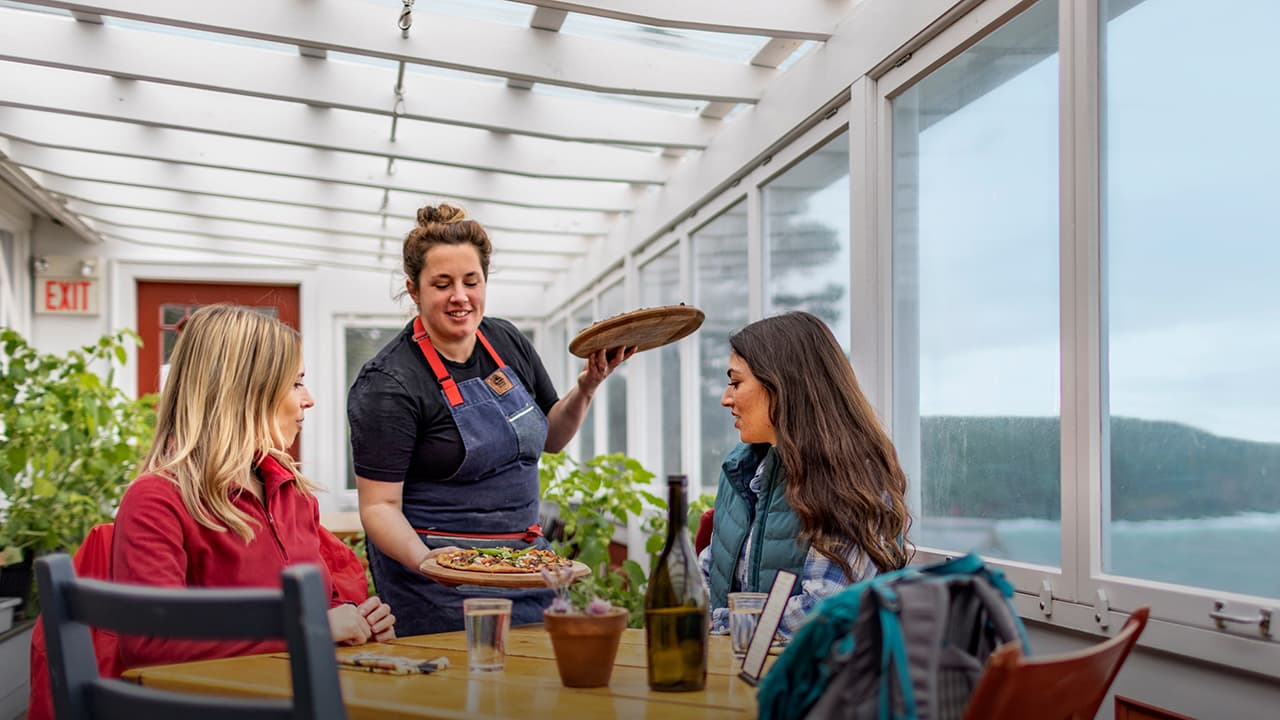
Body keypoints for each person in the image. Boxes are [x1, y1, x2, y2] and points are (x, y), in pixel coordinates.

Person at [347, 203, 631, 636]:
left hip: (526, 568)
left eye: (471, 281)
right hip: (439, 586)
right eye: (441, 284)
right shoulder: (390, 383)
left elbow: (552, 436)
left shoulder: (506, 341)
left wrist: (588, 387)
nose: (460, 296)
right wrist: (431, 562)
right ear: (413, 290)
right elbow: (379, 506)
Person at [112, 304, 395, 668]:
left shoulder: (292, 493)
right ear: (245, 393)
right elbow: (150, 644)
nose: (308, 398)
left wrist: (355, 620)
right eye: (295, 383)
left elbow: (315, 609)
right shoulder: (157, 501)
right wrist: (313, 628)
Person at [699, 311, 912, 636]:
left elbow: (820, 615)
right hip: (730, 675)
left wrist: (721, 625)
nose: (726, 398)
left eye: (736, 382)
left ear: (782, 384)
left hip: (810, 683)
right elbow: (710, 569)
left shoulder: (852, 484)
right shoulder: (741, 470)